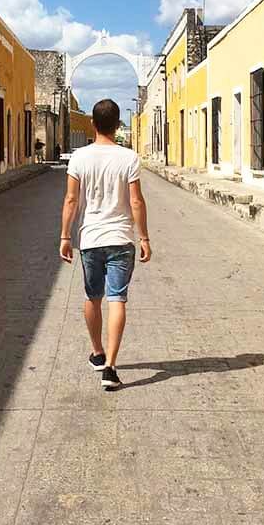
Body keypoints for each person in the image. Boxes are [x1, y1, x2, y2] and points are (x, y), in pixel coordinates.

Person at [59, 98, 151, 390]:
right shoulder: (128, 158)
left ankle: (97, 352)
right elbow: (136, 200)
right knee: (117, 299)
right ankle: (110, 368)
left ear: (93, 124)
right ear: (117, 124)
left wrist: (64, 235)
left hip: (91, 238)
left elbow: (71, 200)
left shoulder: (79, 157)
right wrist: (145, 236)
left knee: (92, 297)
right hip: (121, 238)